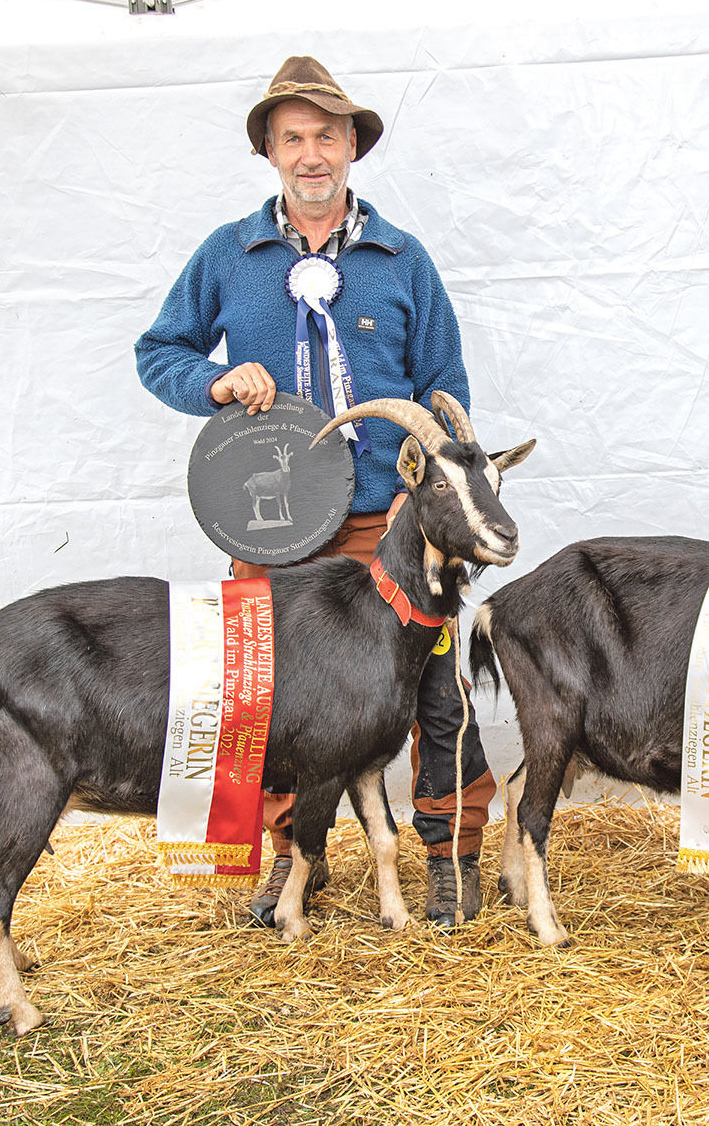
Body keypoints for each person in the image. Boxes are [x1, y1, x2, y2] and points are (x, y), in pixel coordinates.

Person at [135, 56, 495, 929]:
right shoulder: (228, 253)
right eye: (292, 137)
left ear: (350, 148)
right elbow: (160, 354)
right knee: (265, 697)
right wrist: (214, 384)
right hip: (272, 523)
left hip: (390, 523)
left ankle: (449, 855)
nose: (310, 154)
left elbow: (445, 386)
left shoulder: (401, 259)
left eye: (325, 136)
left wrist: (428, 496)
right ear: (269, 151)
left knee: (432, 690)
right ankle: (296, 861)